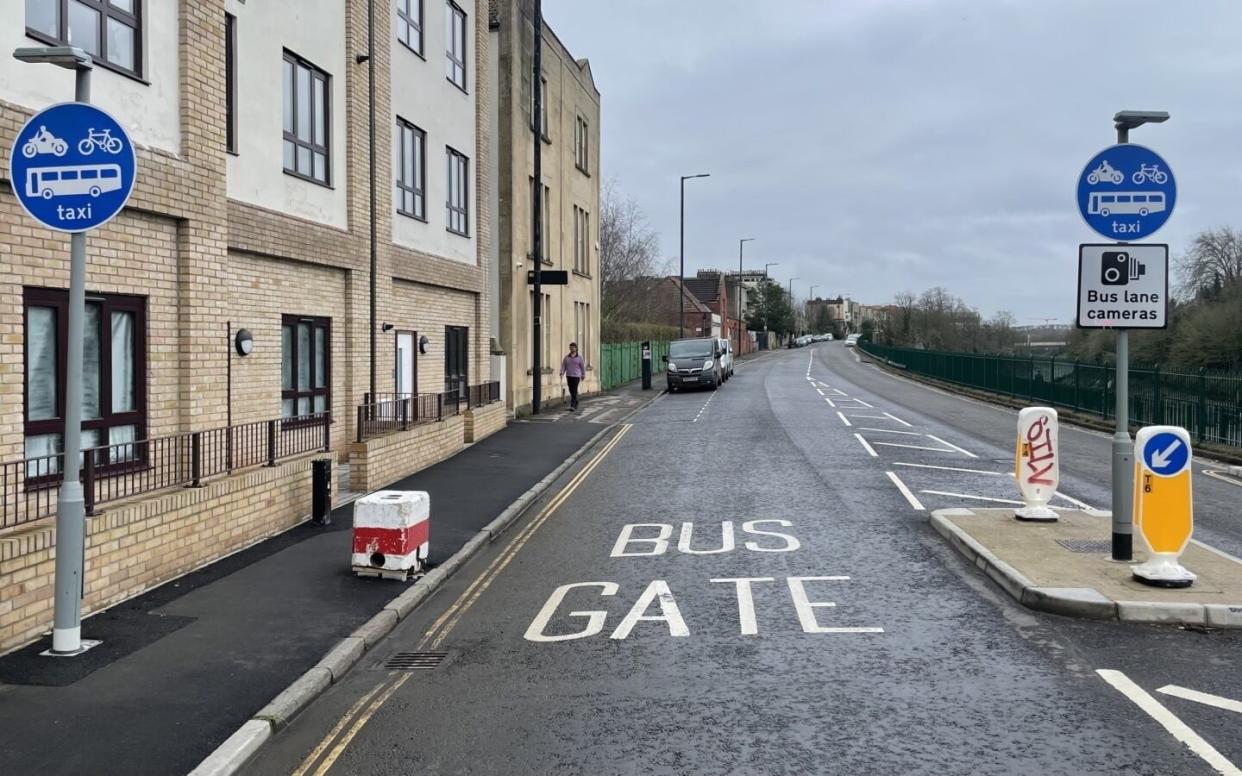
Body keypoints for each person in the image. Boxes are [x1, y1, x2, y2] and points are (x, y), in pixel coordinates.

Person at [559, 342, 586, 411]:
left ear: (576, 348)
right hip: (569, 375)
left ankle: (572, 405)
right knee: (571, 390)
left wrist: (583, 374)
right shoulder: (566, 357)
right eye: (570, 347)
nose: (571, 349)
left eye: (572, 347)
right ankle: (576, 401)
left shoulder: (579, 358)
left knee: (574, 389)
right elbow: (563, 366)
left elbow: (582, 367)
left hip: (576, 376)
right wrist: (562, 372)